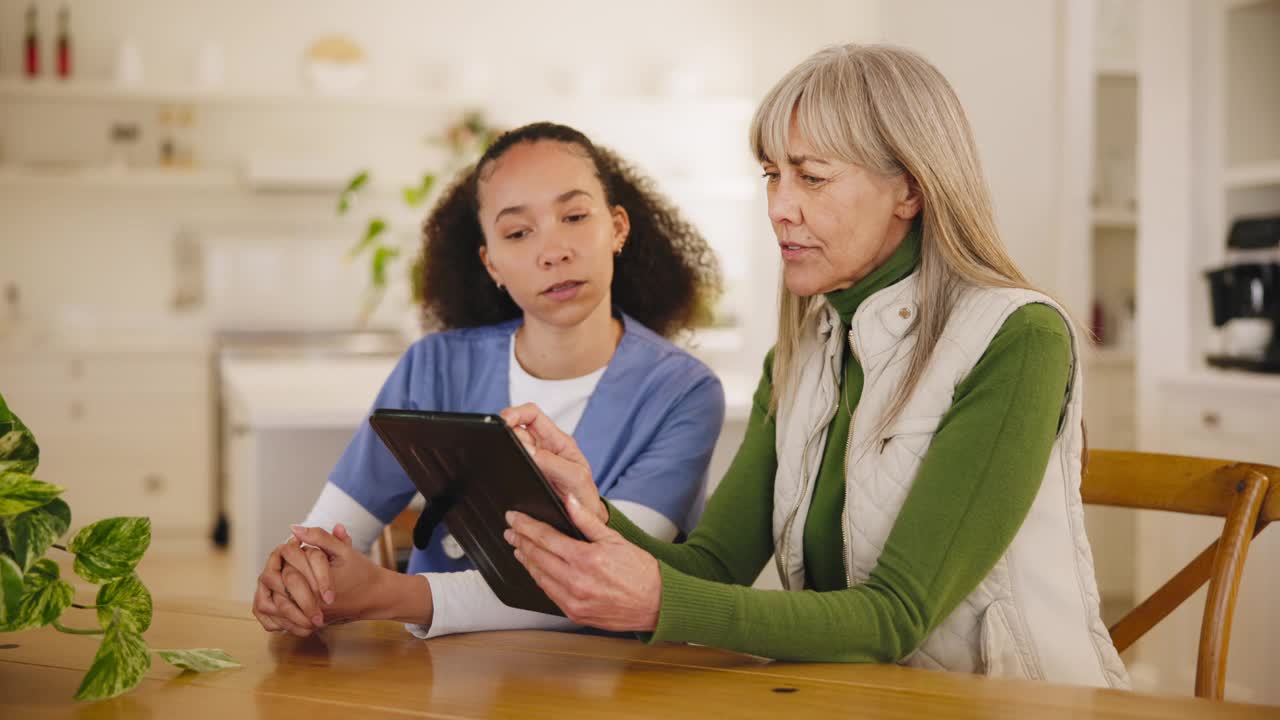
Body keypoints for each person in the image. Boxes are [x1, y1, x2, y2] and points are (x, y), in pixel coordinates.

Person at [485, 44, 1130, 688]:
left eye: (811, 177)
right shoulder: (802, 352)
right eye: (772, 175)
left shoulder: (1018, 338)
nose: (779, 208)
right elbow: (711, 568)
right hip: (852, 702)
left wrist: (660, 600)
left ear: (908, 188)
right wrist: (586, 506)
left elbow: (894, 619)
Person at [252, 121, 725, 640]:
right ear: (490, 262)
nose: (553, 251)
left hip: (602, 685)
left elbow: (602, 581)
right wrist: (300, 578)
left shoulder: (683, 393)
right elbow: (328, 533)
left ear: (617, 228)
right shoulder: (434, 367)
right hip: (433, 684)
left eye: (574, 216)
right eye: (518, 232)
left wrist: (389, 595)